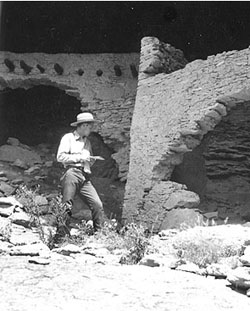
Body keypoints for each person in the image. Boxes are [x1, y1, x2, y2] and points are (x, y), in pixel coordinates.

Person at [56, 112, 104, 233]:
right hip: (72, 172)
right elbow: (60, 157)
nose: (91, 129)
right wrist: (80, 158)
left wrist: (90, 160)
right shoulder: (68, 138)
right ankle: (61, 235)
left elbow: (88, 159)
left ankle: (99, 234)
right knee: (67, 203)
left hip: (84, 176)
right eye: (90, 126)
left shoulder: (87, 142)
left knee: (97, 205)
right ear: (83, 125)